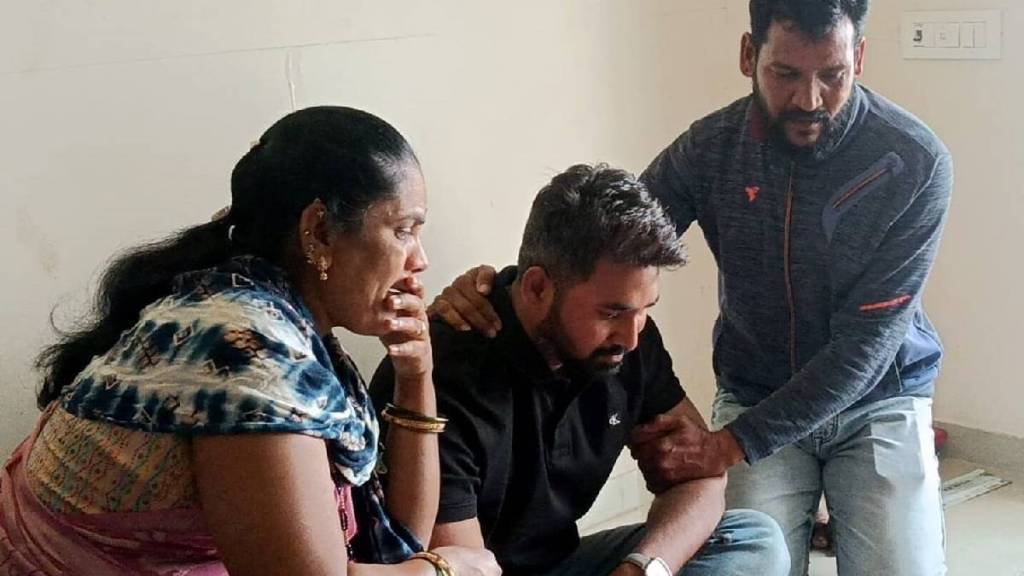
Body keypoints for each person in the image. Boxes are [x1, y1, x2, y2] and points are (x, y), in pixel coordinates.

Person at [427, 1, 953, 574]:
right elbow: (602, 245)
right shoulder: (710, 149)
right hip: (756, 390)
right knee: (759, 553)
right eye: (785, 73)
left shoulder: (916, 161)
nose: (809, 99)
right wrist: (501, 290)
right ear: (749, 55)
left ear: (860, 57)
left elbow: (867, 346)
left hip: (878, 397)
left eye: (833, 75)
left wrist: (727, 445)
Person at [0, 106, 500, 576]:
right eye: (404, 230)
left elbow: (398, 540)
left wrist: (416, 374)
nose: (420, 260)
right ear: (319, 231)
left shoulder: (287, 327)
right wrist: (448, 568)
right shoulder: (246, 349)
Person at [373, 164, 790, 576]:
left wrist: (643, 569)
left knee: (754, 539)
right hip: (475, 569)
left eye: (645, 309)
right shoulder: (444, 374)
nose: (631, 338)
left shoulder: (628, 341)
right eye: (611, 313)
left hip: (566, 563)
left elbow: (699, 477)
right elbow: (458, 566)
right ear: (537, 288)